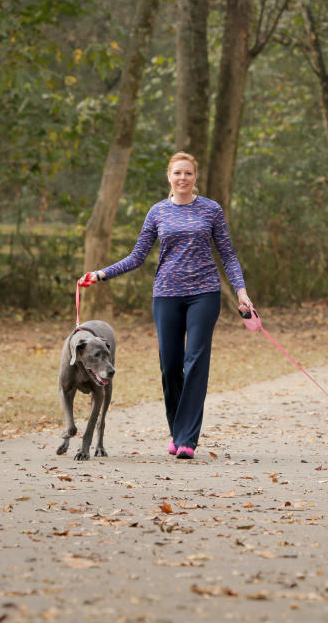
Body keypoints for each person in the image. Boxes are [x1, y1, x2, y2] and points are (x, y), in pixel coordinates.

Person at [80, 152, 252, 460]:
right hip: (166, 295)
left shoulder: (211, 209)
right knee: (170, 365)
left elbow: (227, 254)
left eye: (188, 173)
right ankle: (178, 431)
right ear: (169, 177)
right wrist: (101, 274)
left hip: (204, 293)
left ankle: (187, 438)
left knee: (196, 359)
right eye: (177, 173)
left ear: (195, 177)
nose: (183, 178)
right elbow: (137, 257)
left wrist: (241, 292)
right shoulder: (157, 212)